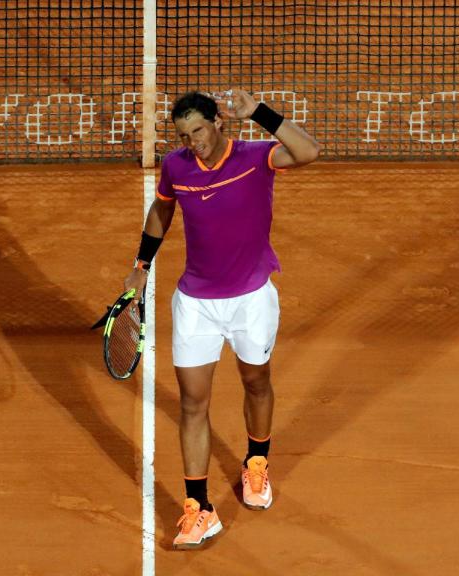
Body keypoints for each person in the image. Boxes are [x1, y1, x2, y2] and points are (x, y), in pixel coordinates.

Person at [123, 88, 321, 549]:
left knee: (256, 382)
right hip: (195, 304)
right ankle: (199, 509)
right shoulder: (176, 167)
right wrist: (140, 266)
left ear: (218, 122)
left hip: (251, 299)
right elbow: (162, 209)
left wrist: (261, 114)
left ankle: (256, 462)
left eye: (198, 130)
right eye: (184, 135)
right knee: (193, 403)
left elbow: (308, 151)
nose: (193, 142)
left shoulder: (255, 157)